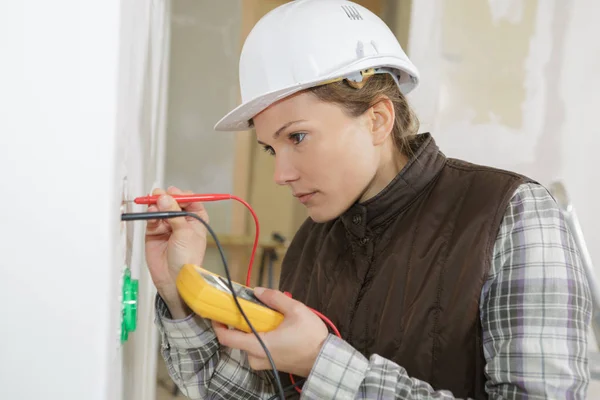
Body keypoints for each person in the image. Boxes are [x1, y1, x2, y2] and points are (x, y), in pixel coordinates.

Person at [145, 0, 592, 398]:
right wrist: (178, 286)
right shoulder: (310, 244)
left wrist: (323, 362)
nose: (281, 174)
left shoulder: (512, 216)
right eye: (270, 149)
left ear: (378, 119)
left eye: (297, 137)